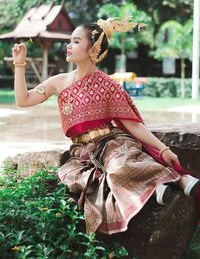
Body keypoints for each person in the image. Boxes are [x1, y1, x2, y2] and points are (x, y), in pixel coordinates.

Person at [12, 17, 199, 235]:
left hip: (112, 143)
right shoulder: (58, 82)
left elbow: (134, 125)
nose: (68, 46)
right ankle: (162, 187)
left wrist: (164, 149)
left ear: (93, 49)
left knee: (119, 165)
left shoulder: (108, 85)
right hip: (82, 153)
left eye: (75, 41)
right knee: (92, 178)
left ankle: (173, 183)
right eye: (69, 41)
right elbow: (23, 100)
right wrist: (19, 63)